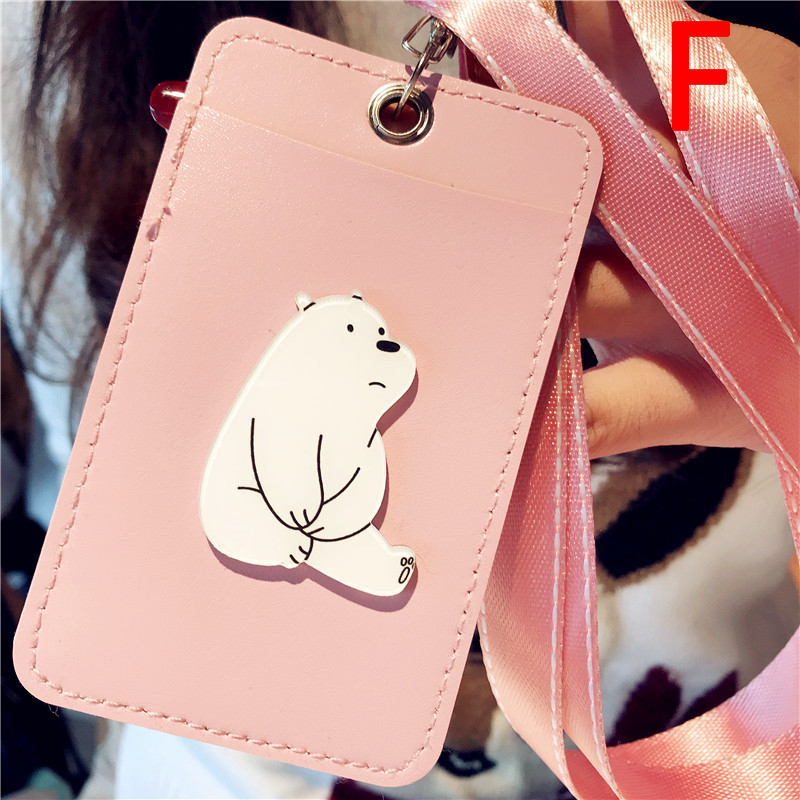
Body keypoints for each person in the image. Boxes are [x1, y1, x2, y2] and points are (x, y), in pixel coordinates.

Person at [2, 2, 797, 798]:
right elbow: (98, 503)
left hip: (709, 707)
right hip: (223, 741)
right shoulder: (40, 53)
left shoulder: (693, 57)